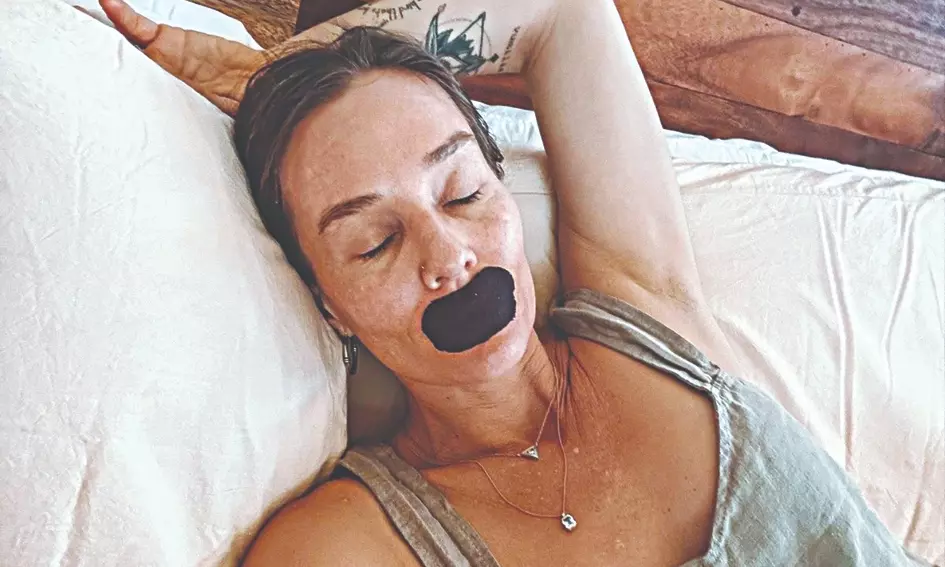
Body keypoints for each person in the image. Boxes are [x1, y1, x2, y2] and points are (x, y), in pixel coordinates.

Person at [93, 0, 927, 565]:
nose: (448, 254)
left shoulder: (644, 309)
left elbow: (561, 15)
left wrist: (279, 70)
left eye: (461, 192)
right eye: (375, 242)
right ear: (327, 304)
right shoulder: (350, 544)